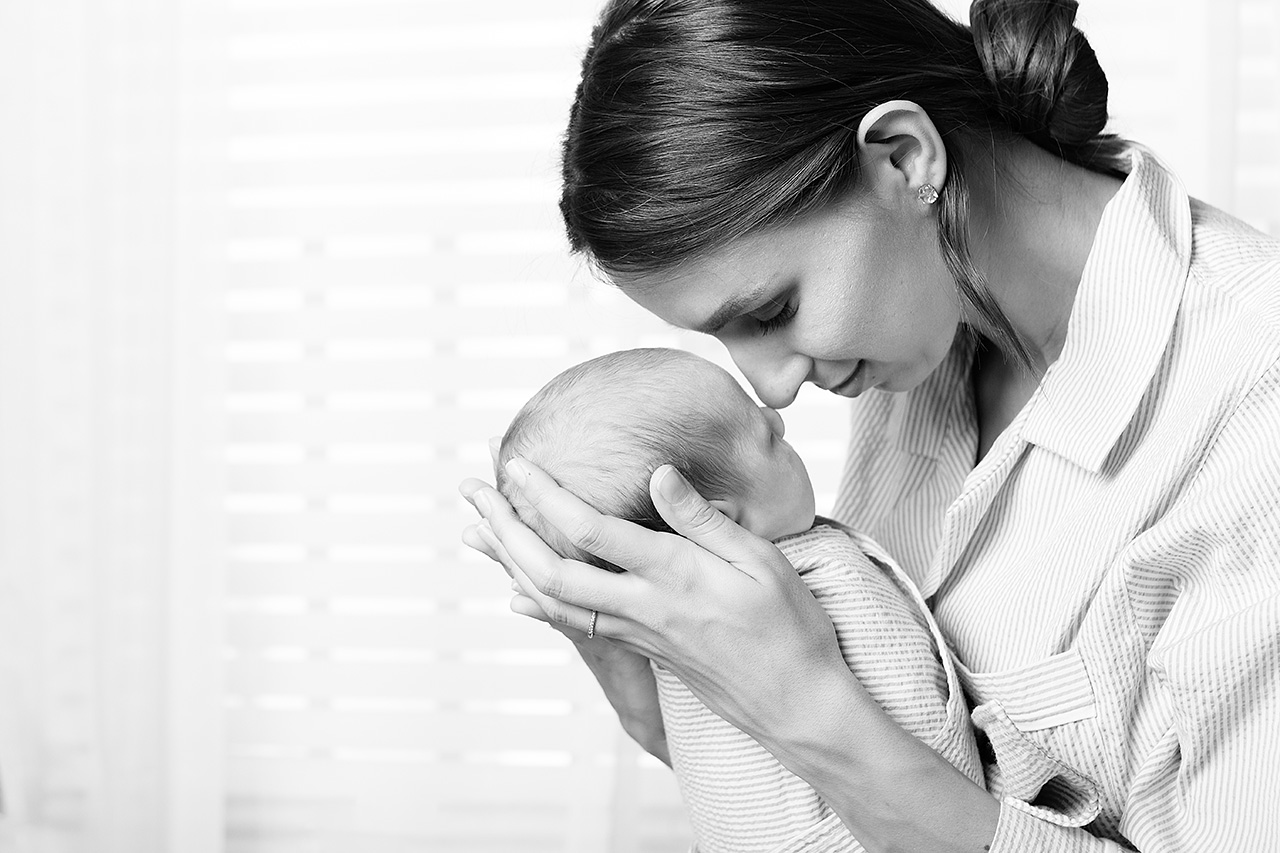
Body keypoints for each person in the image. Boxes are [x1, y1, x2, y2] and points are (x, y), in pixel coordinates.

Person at [459, 0, 1280, 849]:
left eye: (775, 308)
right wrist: (631, 643)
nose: (771, 390)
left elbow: (846, 749)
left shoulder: (1255, 413)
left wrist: (805, 706)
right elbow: (832, 807)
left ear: (904, 157)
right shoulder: (924, 334)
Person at [495, 346, 982, 853]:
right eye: (767, 436)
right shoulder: (825, 577)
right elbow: (943, 750)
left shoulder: (664, 628)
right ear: (718, 521)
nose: (778, 418)